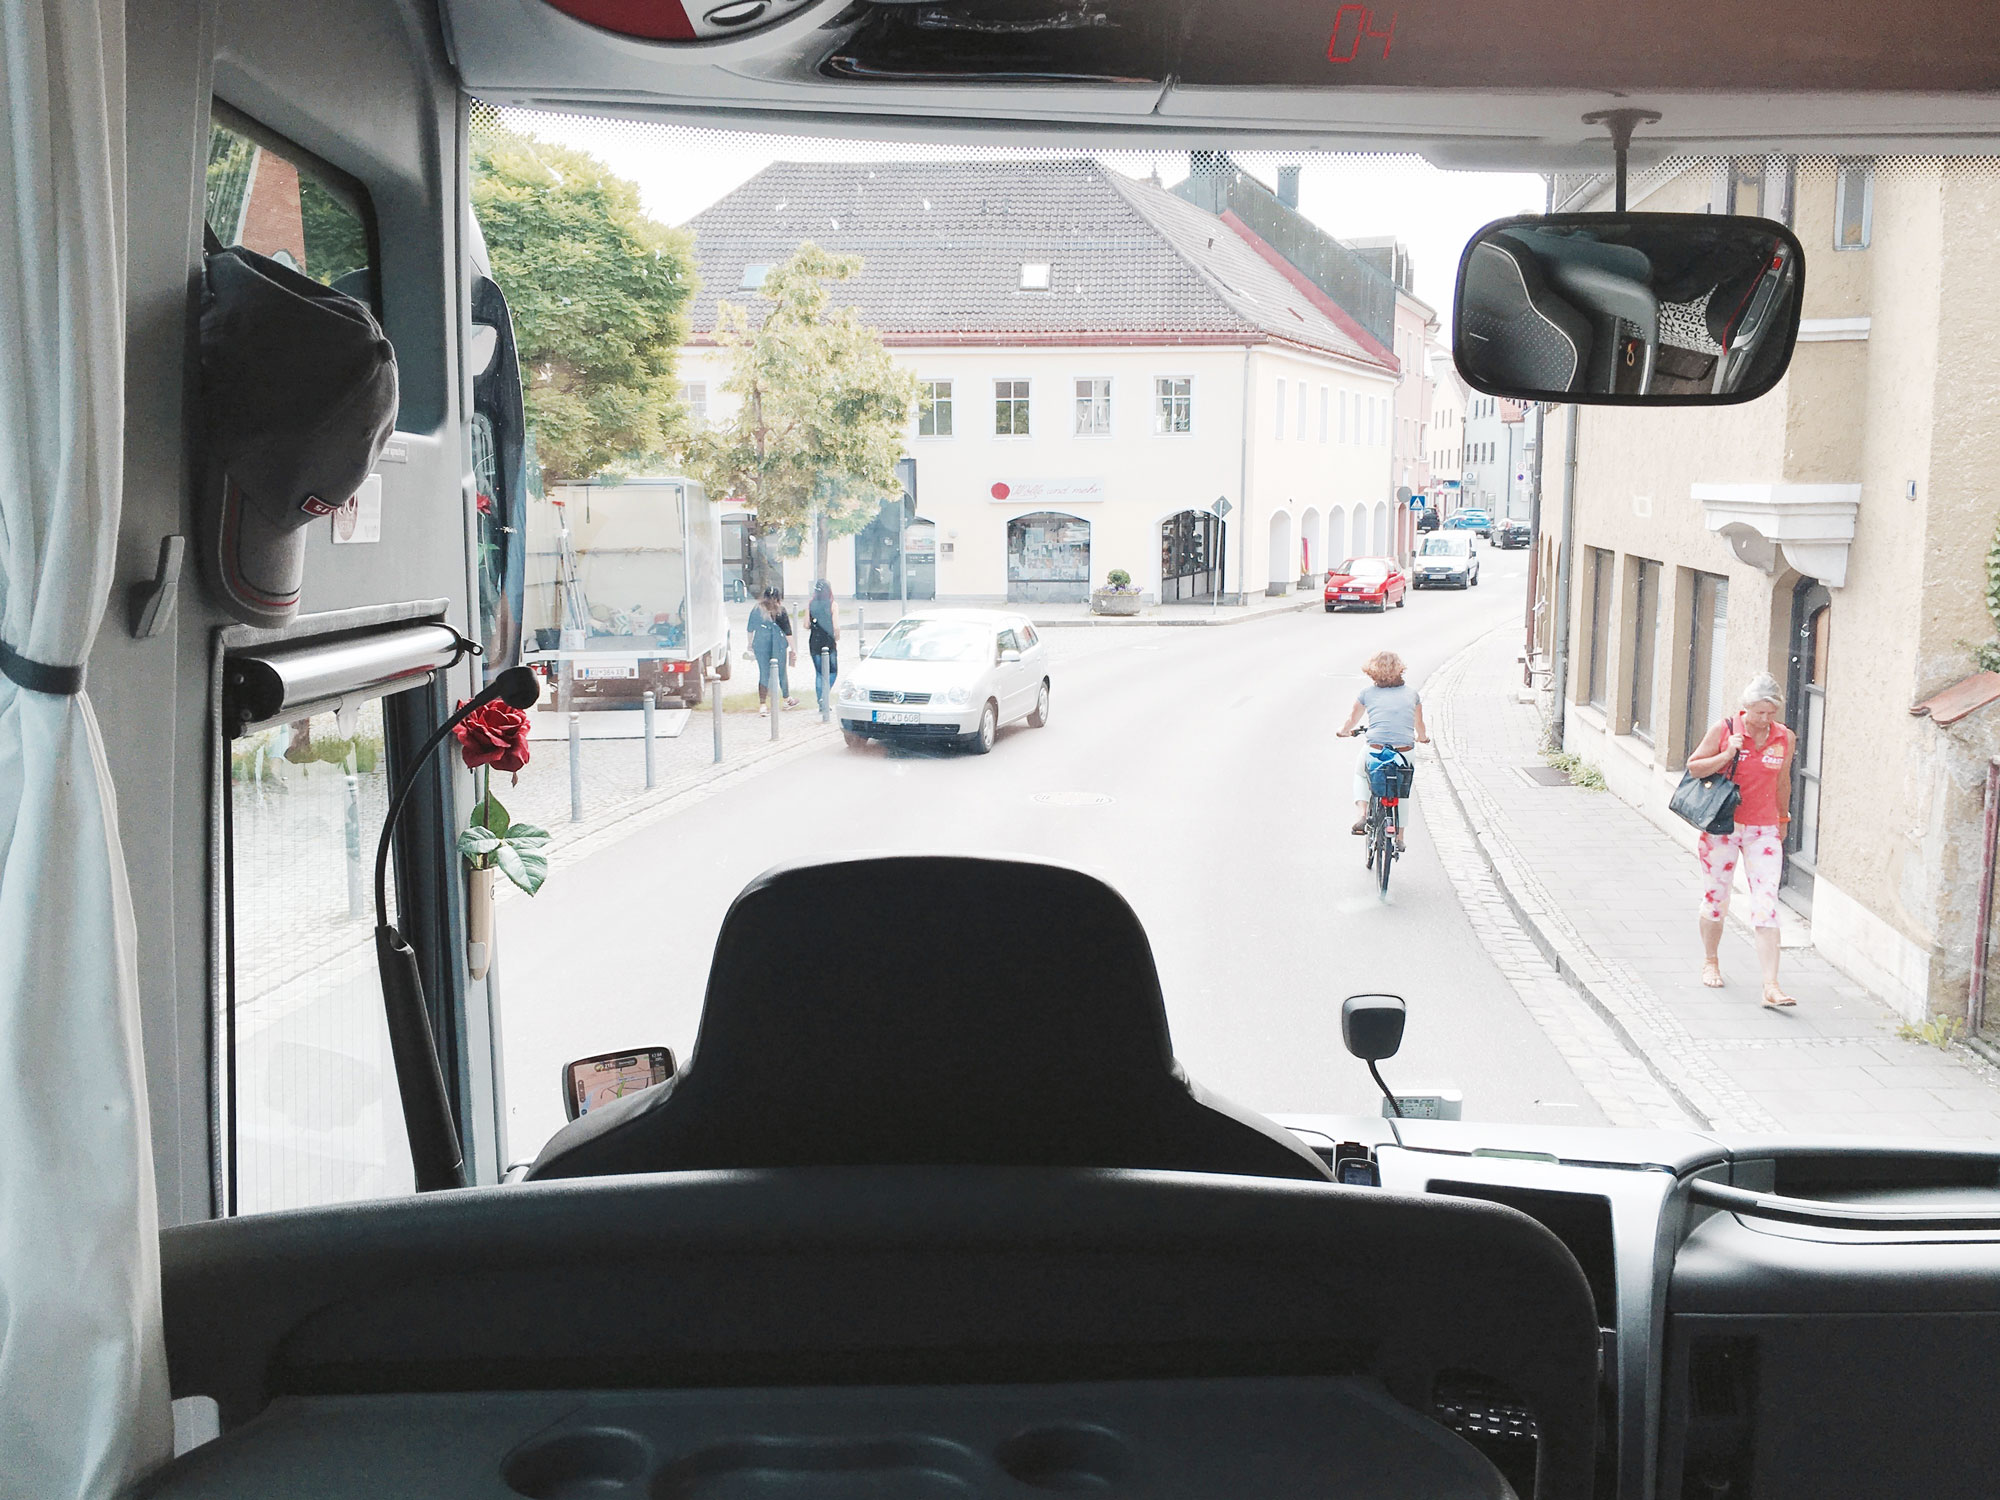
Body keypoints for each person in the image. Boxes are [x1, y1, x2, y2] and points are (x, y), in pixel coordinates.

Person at [1685, 672, 1796, 1008]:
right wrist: (1726, 756)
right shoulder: (1725, 730)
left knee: (1766, 906)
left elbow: (1783, 782)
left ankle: (1771, 986)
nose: (1764, 720)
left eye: (1770, 713)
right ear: (1745, 708)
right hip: (1722, 827)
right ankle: (1711, 961)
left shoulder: (1783, 737)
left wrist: (1783, 818)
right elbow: (1694, 768)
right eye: (1758, 713)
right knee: (1716, 900)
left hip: (1763, 830)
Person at [1334, 651, 1429, 845]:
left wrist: (1343, 731)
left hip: (1375, 750)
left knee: (1361, 774)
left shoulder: (1367, 694)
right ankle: (1400, 837)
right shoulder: (1412, 694)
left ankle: (1362, 814)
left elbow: (1352, 719)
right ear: (1400, 670)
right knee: (1401, 790)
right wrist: (1423, 738)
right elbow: (1419, 724)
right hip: (1404, 752)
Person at [747, 586, 798, 715]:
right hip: (778, 645)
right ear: (778, 598)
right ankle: (786, 699)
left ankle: (763, 705)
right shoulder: (780, 611)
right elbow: (787, 632)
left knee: (764, 673)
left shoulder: (756, 610)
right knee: (781, 672)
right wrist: (793, 648)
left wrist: (749, 644)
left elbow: (750, 629)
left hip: (761, 644)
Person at [807, 578, 839, 714]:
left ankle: (821, 700)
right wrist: (836, 637)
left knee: (819, 673)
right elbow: (835, 626)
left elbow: (805, 625)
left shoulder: (811, 604)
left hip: (814, 641)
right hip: (828, 641)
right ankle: (824, 697)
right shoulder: (832, 604)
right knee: (832, 672)